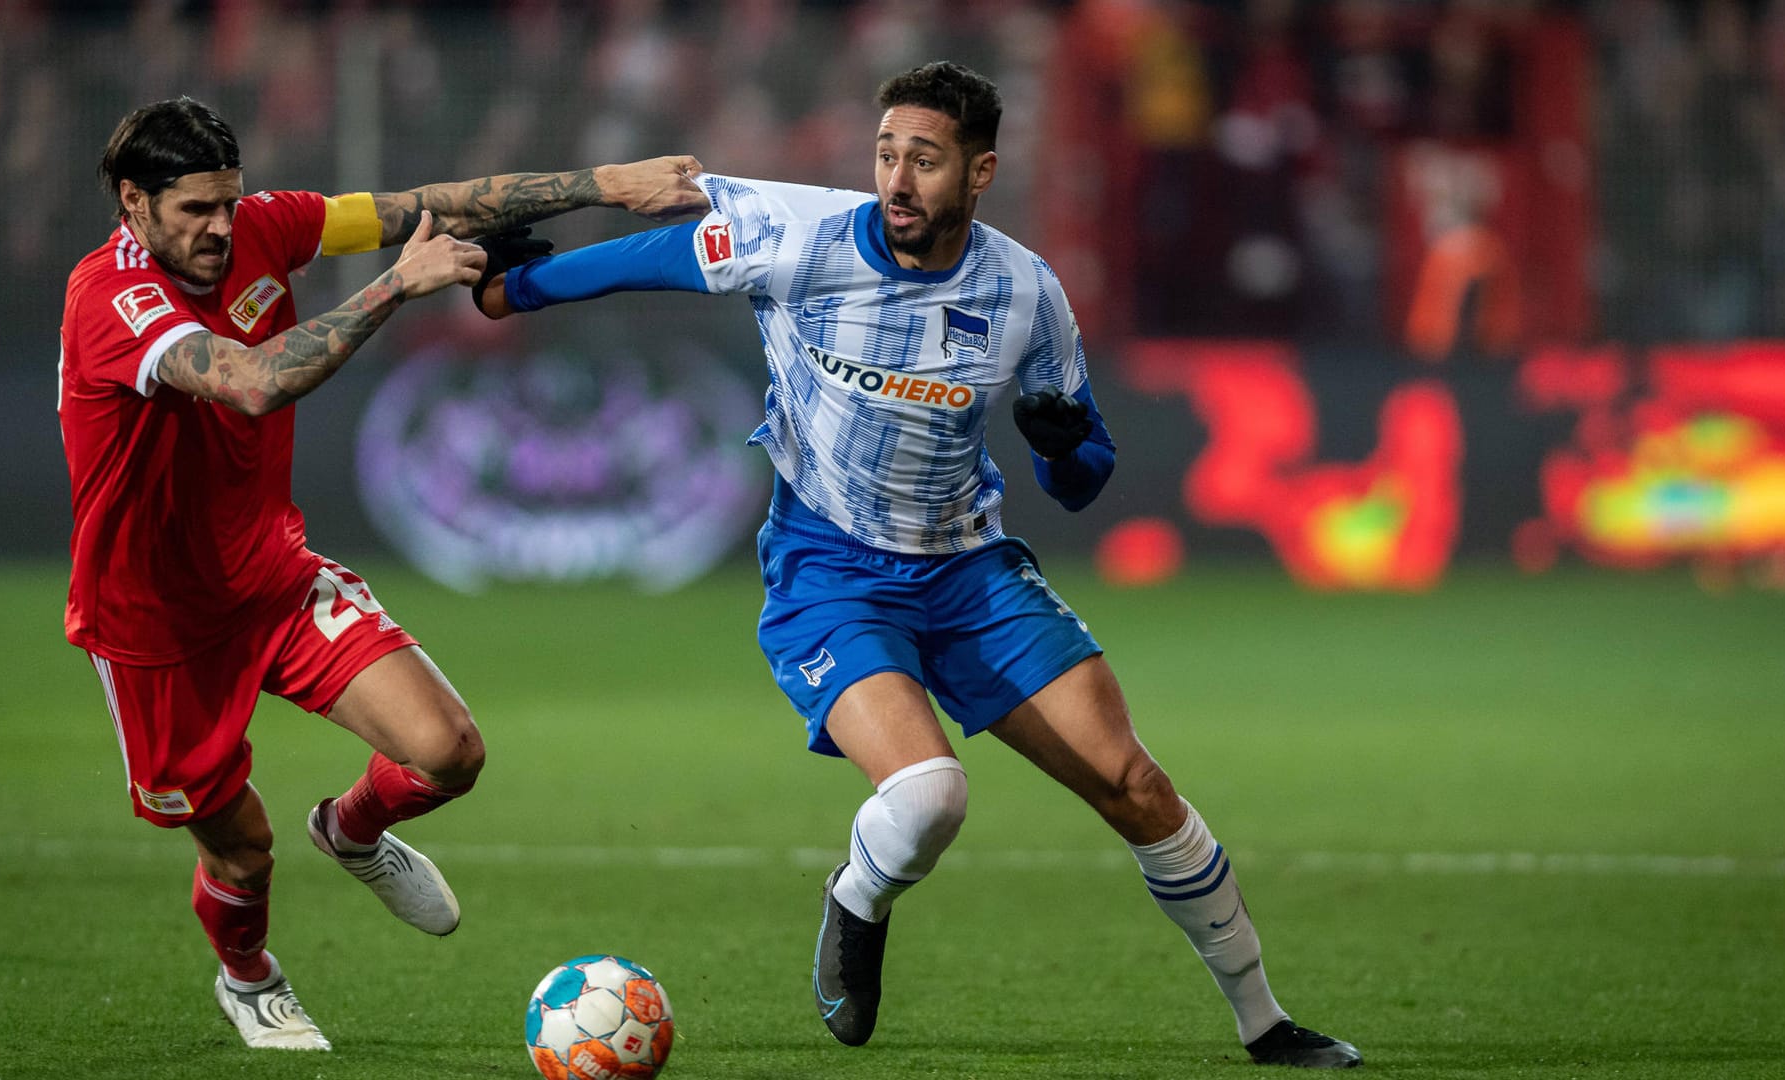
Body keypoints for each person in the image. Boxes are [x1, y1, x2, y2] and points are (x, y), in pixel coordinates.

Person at [475, 62, 1362, 1068]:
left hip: (967, 570)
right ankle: (857, 901)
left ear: (979, 173)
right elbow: (659, 255)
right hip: (831, 570)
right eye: (888, 154)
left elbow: (1081, 478)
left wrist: (1065, 443)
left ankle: (1265, 1024)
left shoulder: (1026, 292)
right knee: (931, 795)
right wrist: (514, 290)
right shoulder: (802, 238)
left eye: (926, 161)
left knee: (1137, 786)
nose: (899, 180)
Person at [58, 95, 706, 1052]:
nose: (220, 228)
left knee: (449, 752)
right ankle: (250, 977)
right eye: (195, 209)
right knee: (241, 849)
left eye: (227, 204)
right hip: (154, 626)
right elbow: (251, 381)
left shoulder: (267, 227)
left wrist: (608, 185)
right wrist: (396, 289)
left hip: (273, 577)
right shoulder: (108, 298)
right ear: (133, 202)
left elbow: (419, 204)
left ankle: (353, 830)